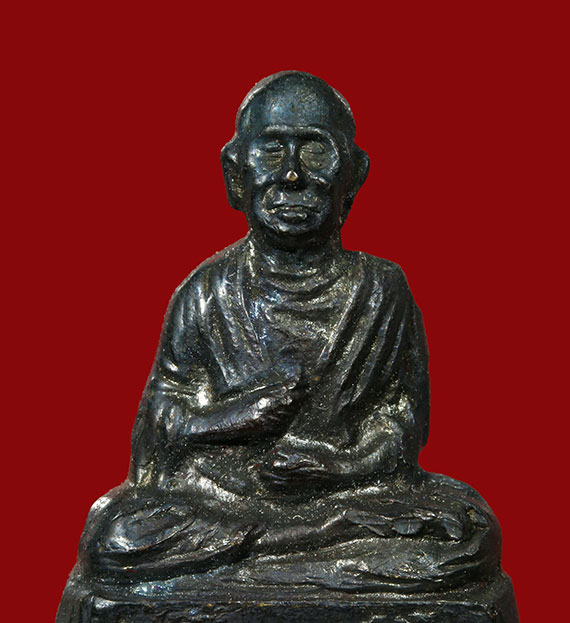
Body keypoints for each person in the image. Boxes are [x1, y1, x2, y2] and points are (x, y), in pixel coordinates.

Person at [79, 71, 501, 592]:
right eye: (272, 151)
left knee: (468, 531)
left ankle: (265, 562)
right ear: (236, 173)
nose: (293, 176)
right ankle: (314, 551)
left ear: (354, 173)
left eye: (316, 152)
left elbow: (403, 421)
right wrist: (232, 418)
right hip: (223, 500)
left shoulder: (381, 290)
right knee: (117, 537)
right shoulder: (207, 292)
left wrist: (341, 466)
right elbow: (156, 429)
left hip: (344, 494)